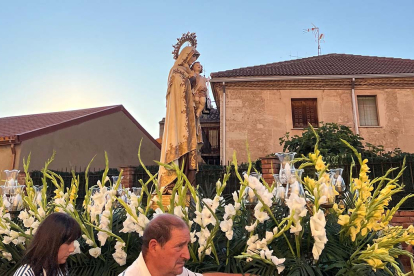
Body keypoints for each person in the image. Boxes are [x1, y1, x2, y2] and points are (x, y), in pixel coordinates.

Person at [119, 214, 250, 276]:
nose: (187, 255)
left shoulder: (170, 271)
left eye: (187, 245)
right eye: (179, 246)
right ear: (154, 246)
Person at [158, 46, 200, 191]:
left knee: (190, 149)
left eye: (195, 58)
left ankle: (187, 186)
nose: (193, 60)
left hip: (189, 116)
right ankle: (172, 184)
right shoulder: (176, 71)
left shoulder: (189, 72)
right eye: (192, 57)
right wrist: (189, 80)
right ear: (186, 56)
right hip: (179, 115)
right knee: (178, 143)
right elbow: (179, 90)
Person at [13, 213, 81, 276]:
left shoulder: (59, 269)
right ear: (52, 242)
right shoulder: (26, 274)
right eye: (68, 243)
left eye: (73, 242)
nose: (72, 249)